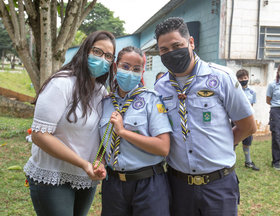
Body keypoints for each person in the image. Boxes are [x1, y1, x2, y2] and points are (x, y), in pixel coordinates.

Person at [154, 17, 257, 216]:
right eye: (164, 50)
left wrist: (221, 147)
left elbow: (248, 126)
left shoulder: (221, 77)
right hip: (178, 186)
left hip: (218, 185)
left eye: (177, 45)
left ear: (191, 42)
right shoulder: (160, 87)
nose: (171, 53)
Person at [24, 30, 115, 216]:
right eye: (97, 52)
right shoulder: (61, 84)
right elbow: (39, 135)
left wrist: (99, 160)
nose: (102, 59)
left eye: (108, 56)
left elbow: (101, 134)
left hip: (86, 178)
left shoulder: (101, 92)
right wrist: (83, 163)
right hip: (53, 176)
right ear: (85, 51)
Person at [99, 46, 172, 216]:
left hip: (148, 184)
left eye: (136, 69)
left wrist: (123, 132)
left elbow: (163, 147)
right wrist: (100, 162)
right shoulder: (104, 103)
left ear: (142, 72)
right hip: (114, 185)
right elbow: (103, 143)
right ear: (116, 67)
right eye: (125, 66)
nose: (130, 72)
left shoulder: (152, 100)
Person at [235, 69, 259, 171]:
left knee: (247, 142)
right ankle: (229, 163)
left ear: (248, 78)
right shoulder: (234, 91)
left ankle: (248, 162)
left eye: (245, 78)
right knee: (233, 141)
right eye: (240, 78)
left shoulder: (252, 92)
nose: (243, 80)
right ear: (237, 79)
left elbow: (251, 108)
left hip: (247, 121)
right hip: (235, 120)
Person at [266, 64, 280, 170]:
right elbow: (268, 100)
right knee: (276, 136)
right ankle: (276, 161)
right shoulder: (272, 85)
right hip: (276, 111)